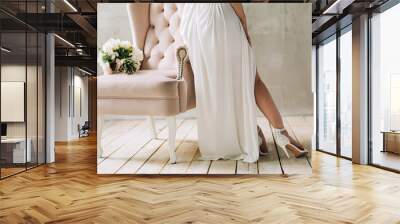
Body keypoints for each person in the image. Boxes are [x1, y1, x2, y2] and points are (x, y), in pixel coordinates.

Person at [180, 3, 307, 163]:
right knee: (252, 79)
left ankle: (250, 133)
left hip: (194, 21)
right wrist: (244, 27)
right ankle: (281, 133)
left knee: (216, 84)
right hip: (219, 16)